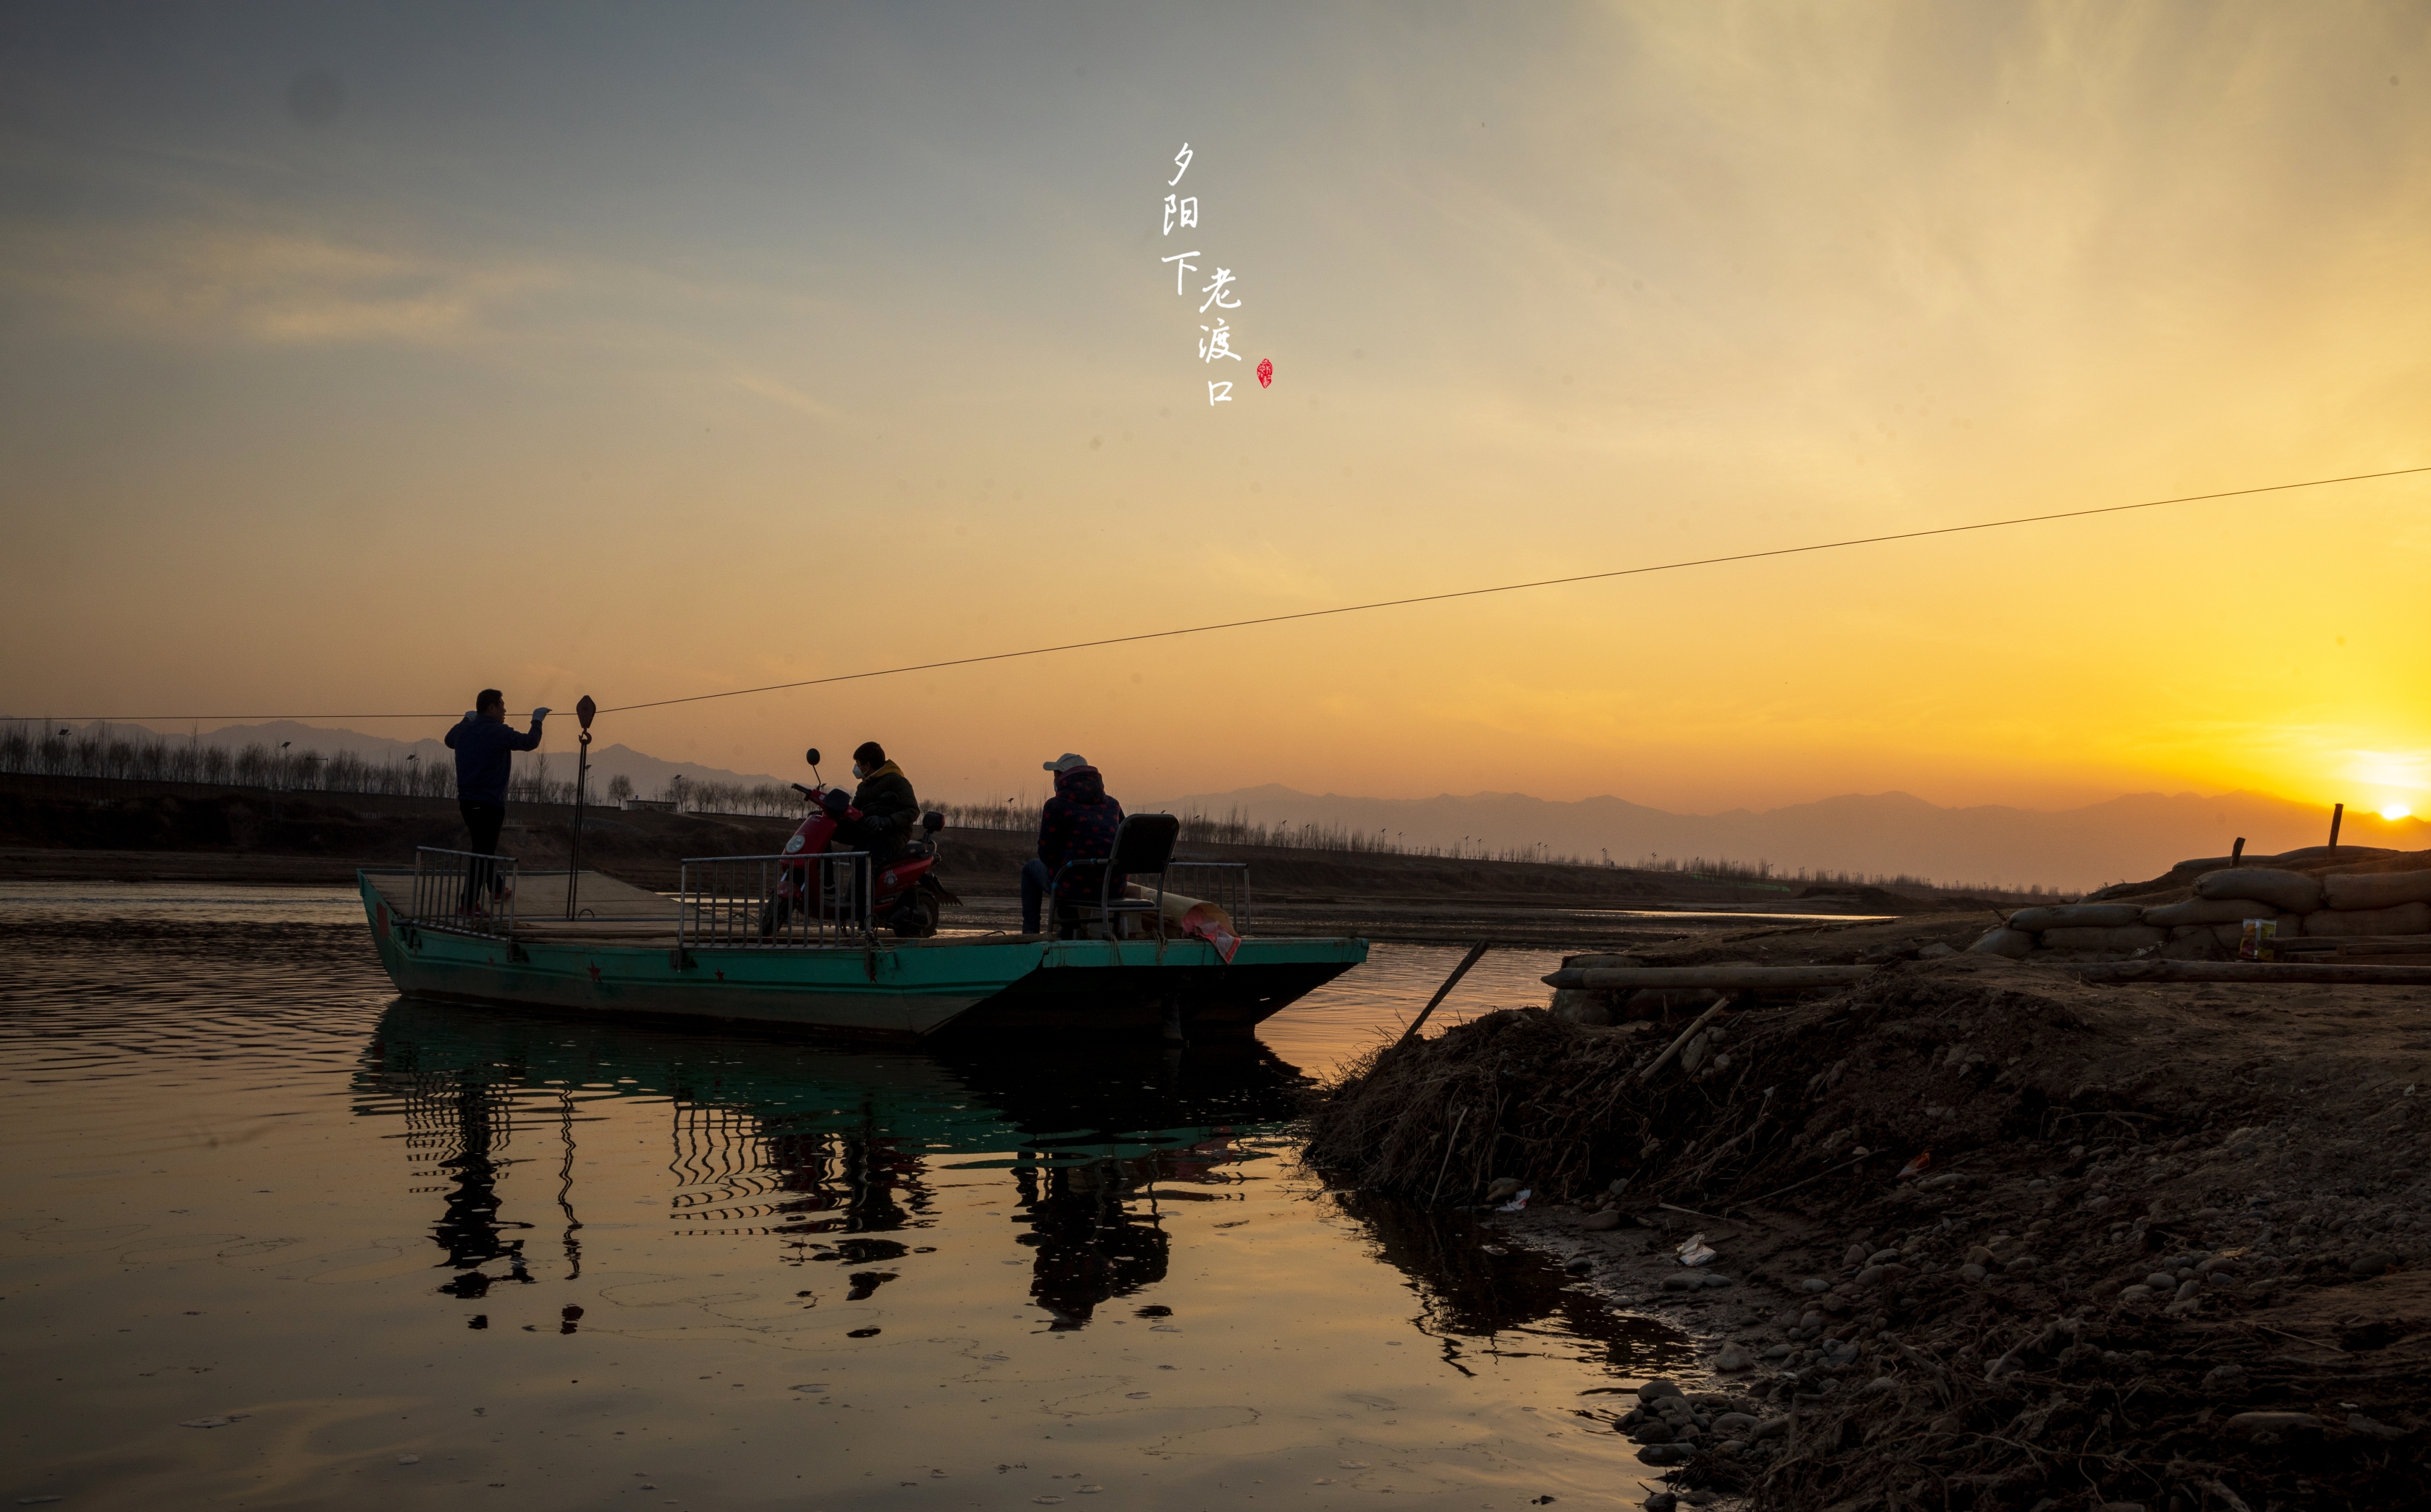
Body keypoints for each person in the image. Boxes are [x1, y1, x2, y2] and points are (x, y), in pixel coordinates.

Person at [444, 691, 548, 912]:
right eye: (501, 705)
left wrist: (466, 719)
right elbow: (530, 742)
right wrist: (537, 720)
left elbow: (448, 740)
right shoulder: (499, 732)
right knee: (483, 852)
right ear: (491, 708)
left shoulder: (462, 730)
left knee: (482, 846)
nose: (505, 710)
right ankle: (469, 903)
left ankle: (497, 888)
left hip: (467, 803)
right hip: (490, 805)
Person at [1023, 753, 1124, 935]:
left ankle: (1031, 934)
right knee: (1065, 870)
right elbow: (1124, 845)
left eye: (1055, 775)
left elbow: (1047, 855)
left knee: (1031, 869)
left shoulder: (1056, 805)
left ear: (1062, 777)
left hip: (1073, 885)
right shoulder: (1113, 805)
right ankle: (1069, 926)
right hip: (1113, 886)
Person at [835, 741, 920, 861]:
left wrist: (885, 822)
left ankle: (868, 879)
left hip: (893, 836)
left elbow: (912, 811)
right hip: (869, 832)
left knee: (866, 861)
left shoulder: (896, 780)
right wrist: (832, 815)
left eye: (858, 765)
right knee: (853, 856)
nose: (856, 768)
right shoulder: (864, 786)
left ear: (868, 765)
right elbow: (854, 810)